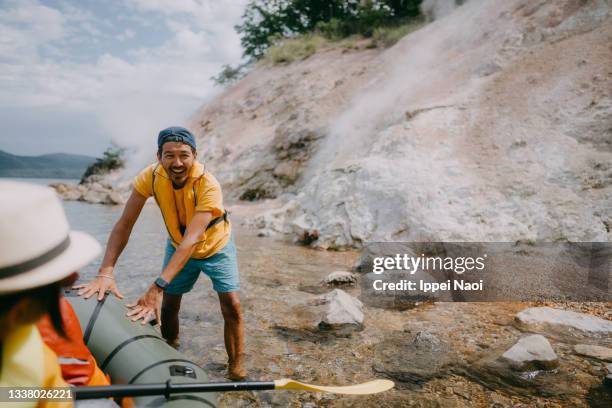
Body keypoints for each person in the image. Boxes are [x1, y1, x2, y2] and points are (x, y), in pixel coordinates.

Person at [74, 126, 246, 380]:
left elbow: (193, 239)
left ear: (194, 156)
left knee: (231, 305)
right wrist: (106, 271)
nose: (177, 163)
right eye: (169, 155)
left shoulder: (208, 184)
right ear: (159, 156)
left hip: (215, 248)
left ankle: (236, 366)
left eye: (184, 155)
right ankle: (170, 350)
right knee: (169, 306)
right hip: (178, 244)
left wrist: (156, 286)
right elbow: (124, 224)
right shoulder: (150, 177)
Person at [0, 181, 102, 407]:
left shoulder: (24, 341)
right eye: (57, 286)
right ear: (20, 312)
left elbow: (50, 394)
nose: (74, 278)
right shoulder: (29, 352)